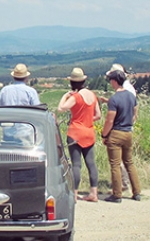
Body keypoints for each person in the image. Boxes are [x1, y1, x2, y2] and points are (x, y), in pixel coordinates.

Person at [57, 68, 101, 202]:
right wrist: (87, 120)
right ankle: (94, 193)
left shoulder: (75, 97)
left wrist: (65, 96)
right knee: (91, 164)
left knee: (76, 165)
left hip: (75, 132)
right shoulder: (92, 95)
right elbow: (98, 115)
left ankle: (74, 194)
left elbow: (61, 108)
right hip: (89, 132)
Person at [100, 69, 142, 203]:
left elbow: (110, 120)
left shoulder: (114, 99)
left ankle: (117, 194)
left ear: (114, 81)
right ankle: (137, 192)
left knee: (115, 164)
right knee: (129, 162)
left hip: (116, 133)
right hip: (128, 132)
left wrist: (104, 134)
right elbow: (135, 114)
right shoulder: (131, 96)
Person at [0, 63, 40, 144]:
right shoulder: (31, 92)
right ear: (26, 77)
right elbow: (38, 114)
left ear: (13, 77)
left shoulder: (4, 91)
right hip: (26, 133)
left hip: (8, 133)